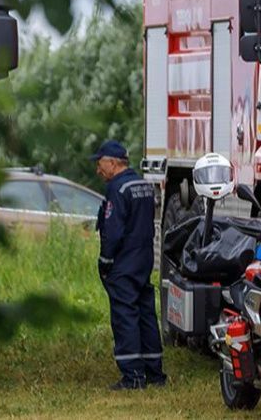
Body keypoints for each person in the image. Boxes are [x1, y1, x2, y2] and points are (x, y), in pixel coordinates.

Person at [92, 139, 166, 390]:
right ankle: (154, 374)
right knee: (146, 313)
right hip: (144, 259)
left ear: (113, 163)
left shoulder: (117, 189)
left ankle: (133, 376)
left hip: (124, 261)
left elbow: (112, 231)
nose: (97, 170)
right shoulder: (143, 185)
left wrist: (105, 260)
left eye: (100, 164)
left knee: (125, 315)